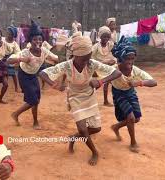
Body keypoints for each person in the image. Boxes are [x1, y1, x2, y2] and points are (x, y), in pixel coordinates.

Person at [39, 35, 122, 166]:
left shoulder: (91, 63)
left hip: (89, 96)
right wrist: (53, 84)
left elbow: (117, 73)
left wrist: (100, 81)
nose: (87, 61)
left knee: (96, 129)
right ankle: (95, 152)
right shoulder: (66, 66)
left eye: (89, 57)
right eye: (84, 58)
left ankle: (74, 138)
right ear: (75, 55)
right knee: (83, 129)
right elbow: (43, 73)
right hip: (74, 97)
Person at [7, 20, 59, 130]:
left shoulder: (44, 50)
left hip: (33, 76)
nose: (37, 41)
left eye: (39, 39)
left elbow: (56, 58)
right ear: (30, 40)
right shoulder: (26, 52)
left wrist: (54, 60)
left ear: (42, 41)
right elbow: (9, 60)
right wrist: (22, 59)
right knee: (33, 101)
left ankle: (35, 122)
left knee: (37, 100)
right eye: (35, 39)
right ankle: (15, 114)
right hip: (23, 76)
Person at [110, 36, 157, 152]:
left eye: (132, 59)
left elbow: (154, 82)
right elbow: (99, 74)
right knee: (130, 117)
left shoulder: (135, 70)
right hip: (118, 93)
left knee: (136, 119)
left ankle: (116, 127)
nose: (130, 62)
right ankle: (133, 143)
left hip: (130, 92)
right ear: (121, 58)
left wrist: (139, 82)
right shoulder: (112, 69)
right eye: (127, 59)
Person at [92, 26, 117, 106]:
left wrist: (114, 60)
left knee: (110, 82)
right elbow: (90, 58)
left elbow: (115, 55)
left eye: (107, 36)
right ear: (100, 36)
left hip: (109, 68)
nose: (106, 38)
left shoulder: (111, 44)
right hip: (98, 67)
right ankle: (84, 97)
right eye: (104, 36)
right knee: (97, 85)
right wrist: (102, 63)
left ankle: (106, 101)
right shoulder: (96, 46)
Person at [0, 25, 21, 93]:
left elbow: (18, 53)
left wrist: (14, 58)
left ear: (13, 35)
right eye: (7, 33)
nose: (8, 34)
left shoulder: (14, 44)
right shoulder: (2, 39)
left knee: (13, 74)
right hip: (1, 59)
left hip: (9, 60)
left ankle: (16, 88)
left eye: (9, 33)